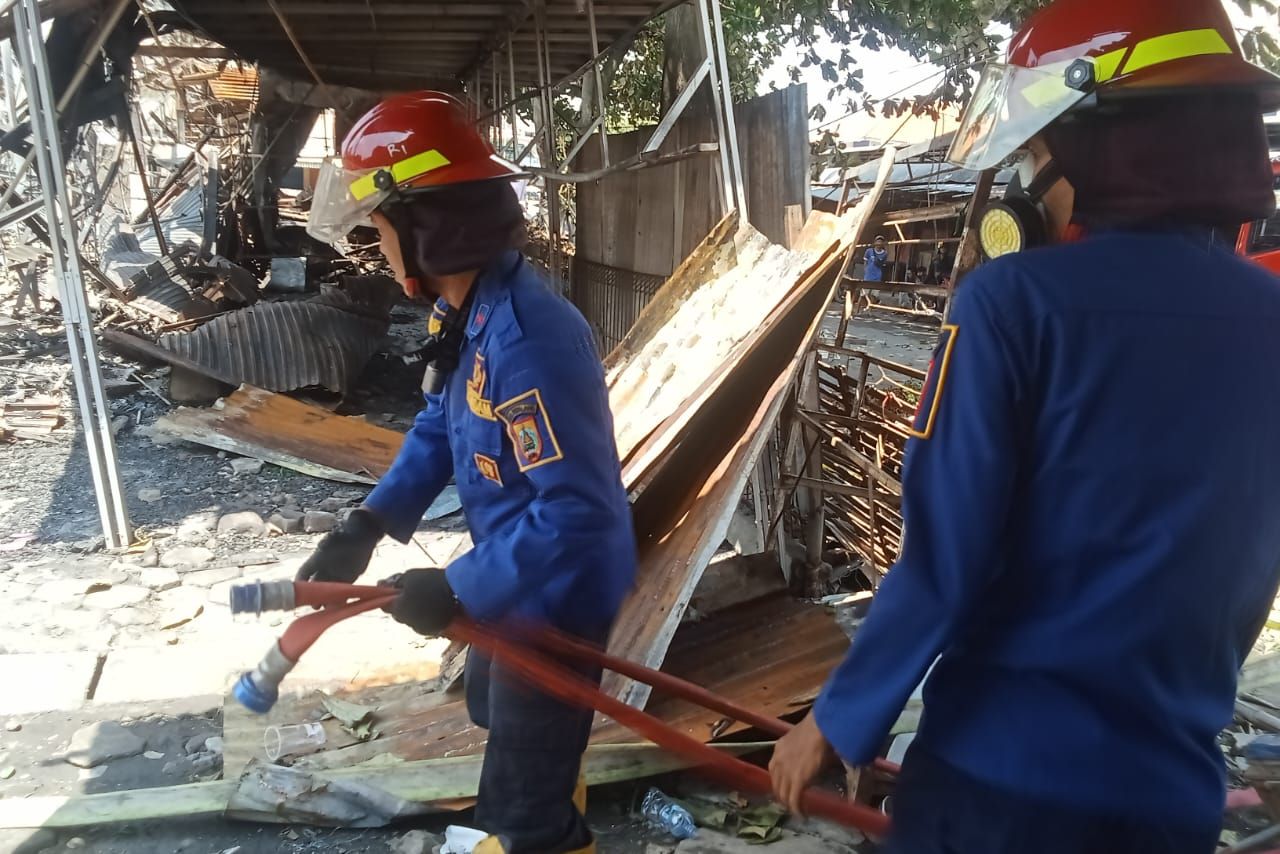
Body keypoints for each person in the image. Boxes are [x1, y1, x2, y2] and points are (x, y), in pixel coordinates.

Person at [769, 2, 1280, 853]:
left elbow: (944, 562)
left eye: (1040, 153)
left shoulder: (1013, 305)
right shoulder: (1269, 313)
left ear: (1102, 143)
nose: (1029, 184)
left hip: (998, 790)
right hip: (1169, 796)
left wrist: (836, 720)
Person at [303, 91, 636, 854]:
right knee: (500, 717)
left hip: (554, 593)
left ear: (428, 228)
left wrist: (459, 586)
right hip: (513, 576)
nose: (377, 249)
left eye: (380, 229)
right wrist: (370, 522)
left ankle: (549, 828)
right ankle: (557, 800)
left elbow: (577, 516)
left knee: (521, 813)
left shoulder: (527, 340)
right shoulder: (468, 312)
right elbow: (440, 426)